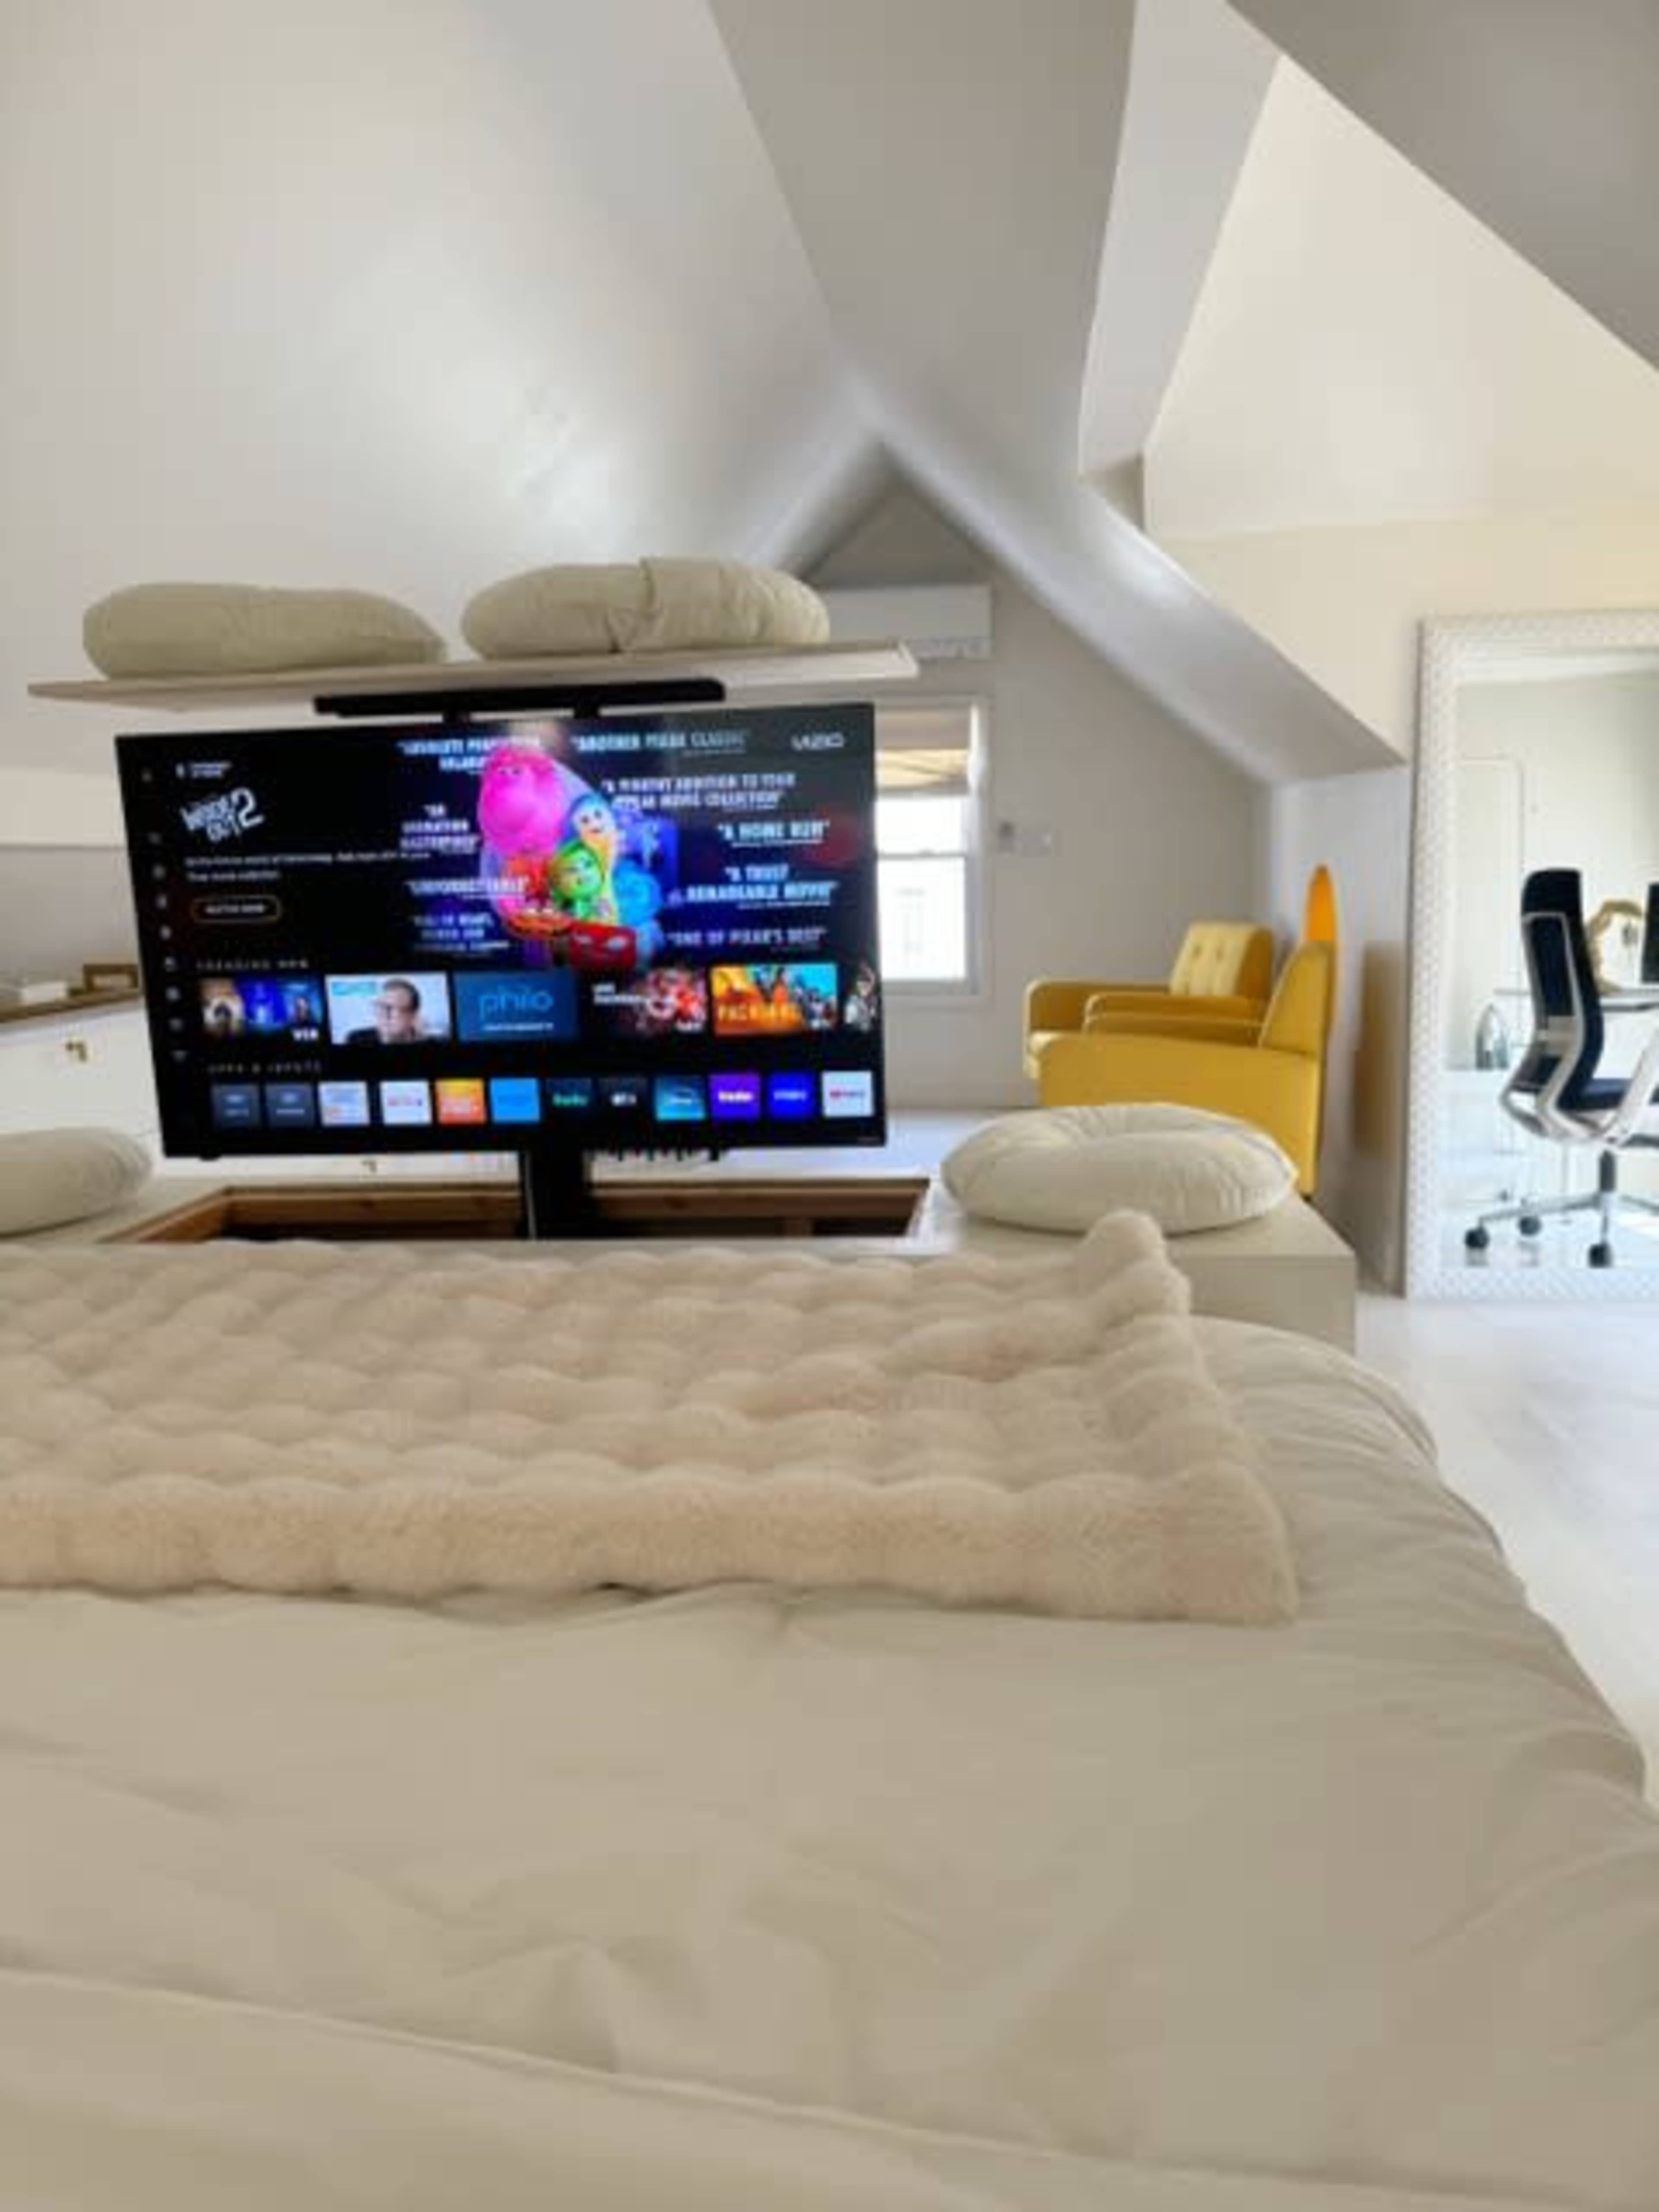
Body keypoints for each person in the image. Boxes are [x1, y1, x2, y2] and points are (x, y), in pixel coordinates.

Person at [346, 977, 427, 1045]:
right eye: (380, 1006)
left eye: (390, 1008)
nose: (384, 1014)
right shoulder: (356, 1039)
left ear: (413, 1016)